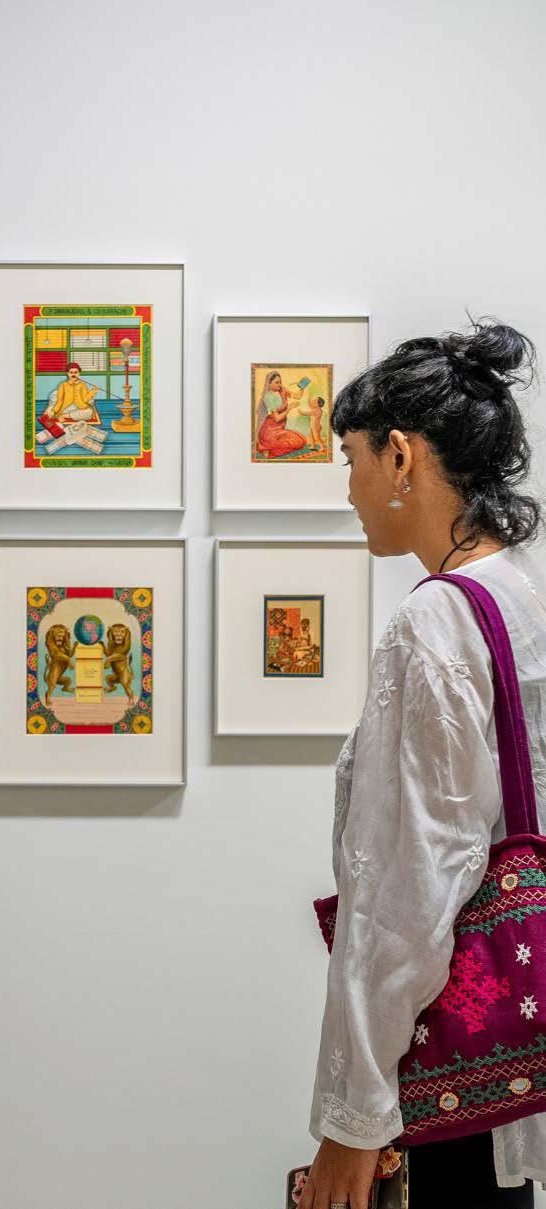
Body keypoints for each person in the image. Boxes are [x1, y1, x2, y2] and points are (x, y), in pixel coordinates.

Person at [300, 321, 545, 1209]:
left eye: (352, 457)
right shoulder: (521, 595)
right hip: (522, 1040)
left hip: (455, 1066)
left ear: (400, 455)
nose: (350, 486)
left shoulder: (433, 620)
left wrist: (352, 1115)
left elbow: (409, 885)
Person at [255, 369, 308, 458]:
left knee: (300, 440)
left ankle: (269, 448)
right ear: (269, 383)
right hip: (270, 431)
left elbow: (297, 396)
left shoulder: (282, 390)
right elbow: (277, 418)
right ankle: (267, 449)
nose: (279, 384)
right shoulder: (268, 396)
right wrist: (289, 408)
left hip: (279, 430)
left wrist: (302, 386)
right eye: (276, 382)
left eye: (280, 382)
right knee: (290, 443)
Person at [43, 361, 101, 426]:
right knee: (50, 411)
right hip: (65, 407)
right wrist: (55, 412)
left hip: (78, 408)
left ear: (79, 373)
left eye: (76, 372)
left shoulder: (83, 385)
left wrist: (93, 391)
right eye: (71, 372)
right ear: (67, 373)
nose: (73, 374)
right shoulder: (63, 385)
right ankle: (58, 415)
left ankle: (64, 416)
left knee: (89, 413)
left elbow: (85, 399)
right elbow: (60, 400)